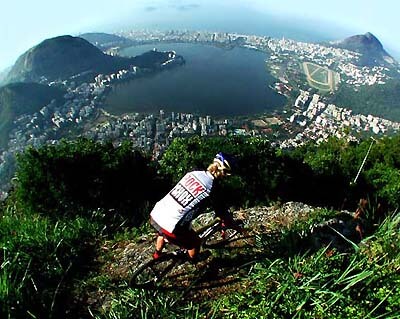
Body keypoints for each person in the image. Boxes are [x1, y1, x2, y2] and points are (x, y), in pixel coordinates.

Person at [149, 152, 239, 261]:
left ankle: (157, 254)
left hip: (157, 213)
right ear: (224, 173)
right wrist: (233, 225)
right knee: (196, 243)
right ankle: (193, 259)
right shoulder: (213, 189)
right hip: (172, 227)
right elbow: (222, 213)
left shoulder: (194, 172)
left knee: (163, 231)